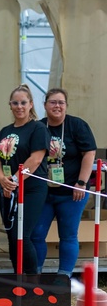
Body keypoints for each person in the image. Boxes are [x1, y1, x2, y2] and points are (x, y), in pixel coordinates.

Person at [30, 88, 96, 276]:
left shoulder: (77, 125)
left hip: (72, 192)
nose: (57, 106)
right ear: (45, 105)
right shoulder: (38, 127)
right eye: (53, 102)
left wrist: (82, 183)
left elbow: (89, 154)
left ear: (66, 105)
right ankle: (35, 275)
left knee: (67, 235)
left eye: (61, 102)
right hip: (43, 193)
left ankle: (63, 276)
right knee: (36, 234)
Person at [0, 85, 49, 275]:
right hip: (7, 188)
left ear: (31, 104)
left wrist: (14, 181)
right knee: (11, 235)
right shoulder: (5, 130)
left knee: (22, 235)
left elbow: (36, 159)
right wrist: (1, 179)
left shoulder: (38, 128)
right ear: (10, 105)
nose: (19, 106)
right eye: (15, 103)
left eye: (23, 102)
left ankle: (33, 282)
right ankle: (18, 280)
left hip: (31, 188)